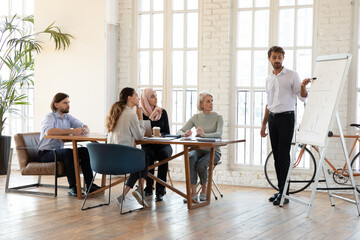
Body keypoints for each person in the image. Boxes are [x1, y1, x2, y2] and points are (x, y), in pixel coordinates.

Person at [260, 46, 311, 206]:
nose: (277, 60)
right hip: (273, 120)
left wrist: (303, 85)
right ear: (269, 59)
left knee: (284, 155)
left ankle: (285, 193)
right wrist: (263, 125)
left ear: (283, 58)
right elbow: (268, 104)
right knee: (276, 156)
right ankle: (281, 189)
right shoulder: (269, 79)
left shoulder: (292, 75)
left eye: (280, 57)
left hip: (286, 119)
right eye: (274, 57)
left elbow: (302, 97)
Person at [37, 92, 101, 197]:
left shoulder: (67, 117)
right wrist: (71, 131)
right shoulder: (49, 117)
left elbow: (83, 125)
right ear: (56, 104)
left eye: (68, 102)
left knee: (84, 150)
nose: (68, 105)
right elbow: (49, 132)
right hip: (45, 153)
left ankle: (90, 185)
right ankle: (73, 187)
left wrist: (84, 129)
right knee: (68, 153)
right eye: (65, 103)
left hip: (58, 152)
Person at [106, 87, 149, 207]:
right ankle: (139, 190)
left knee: (142, 158)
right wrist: (140, 117)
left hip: (107, 160)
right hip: (122, 160)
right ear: (129, 98)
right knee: (144, 158)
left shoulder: (116, 111)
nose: (139, 98)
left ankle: (127, 194)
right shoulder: (130, 114)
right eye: (136, 95)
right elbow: (140, 136)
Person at [177, 92, 223, 202]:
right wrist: (184, 134)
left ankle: (204, 190)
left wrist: (204, 135)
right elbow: (180, 130)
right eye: (208, 101)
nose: (211, 103)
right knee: (190, 157)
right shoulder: (196, 117)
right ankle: (193, 193)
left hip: (214, 151)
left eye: (212, 101)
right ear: (201, 104)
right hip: (199, 150)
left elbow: (219, 134)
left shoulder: (218, 117)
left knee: (201, 164)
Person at [140, 88, 173, 202]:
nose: (156, 98)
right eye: (152, 96)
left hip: (163, 144)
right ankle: (149, 187)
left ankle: (160, 190)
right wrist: (151, 117)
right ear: (145, 99)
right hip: (148, 145)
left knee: (164, 154)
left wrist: (161, 135)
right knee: (147, 154)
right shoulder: (141, 113)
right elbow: (143, 131)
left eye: (156, 95)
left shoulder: (162, 112)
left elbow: (167, 132)